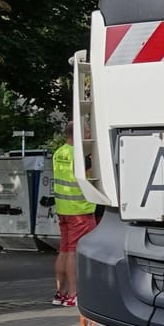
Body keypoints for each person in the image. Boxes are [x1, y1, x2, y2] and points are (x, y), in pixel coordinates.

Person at [49, 122, 97, 307]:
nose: (89, 132)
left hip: (64, 208)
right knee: (74, 252)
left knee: (64, 250)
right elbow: (91, 177)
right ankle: (74, 294)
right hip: (80, 209)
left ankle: (60, 292)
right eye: (86, 129)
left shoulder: (59, 152)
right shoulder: (79, 155)